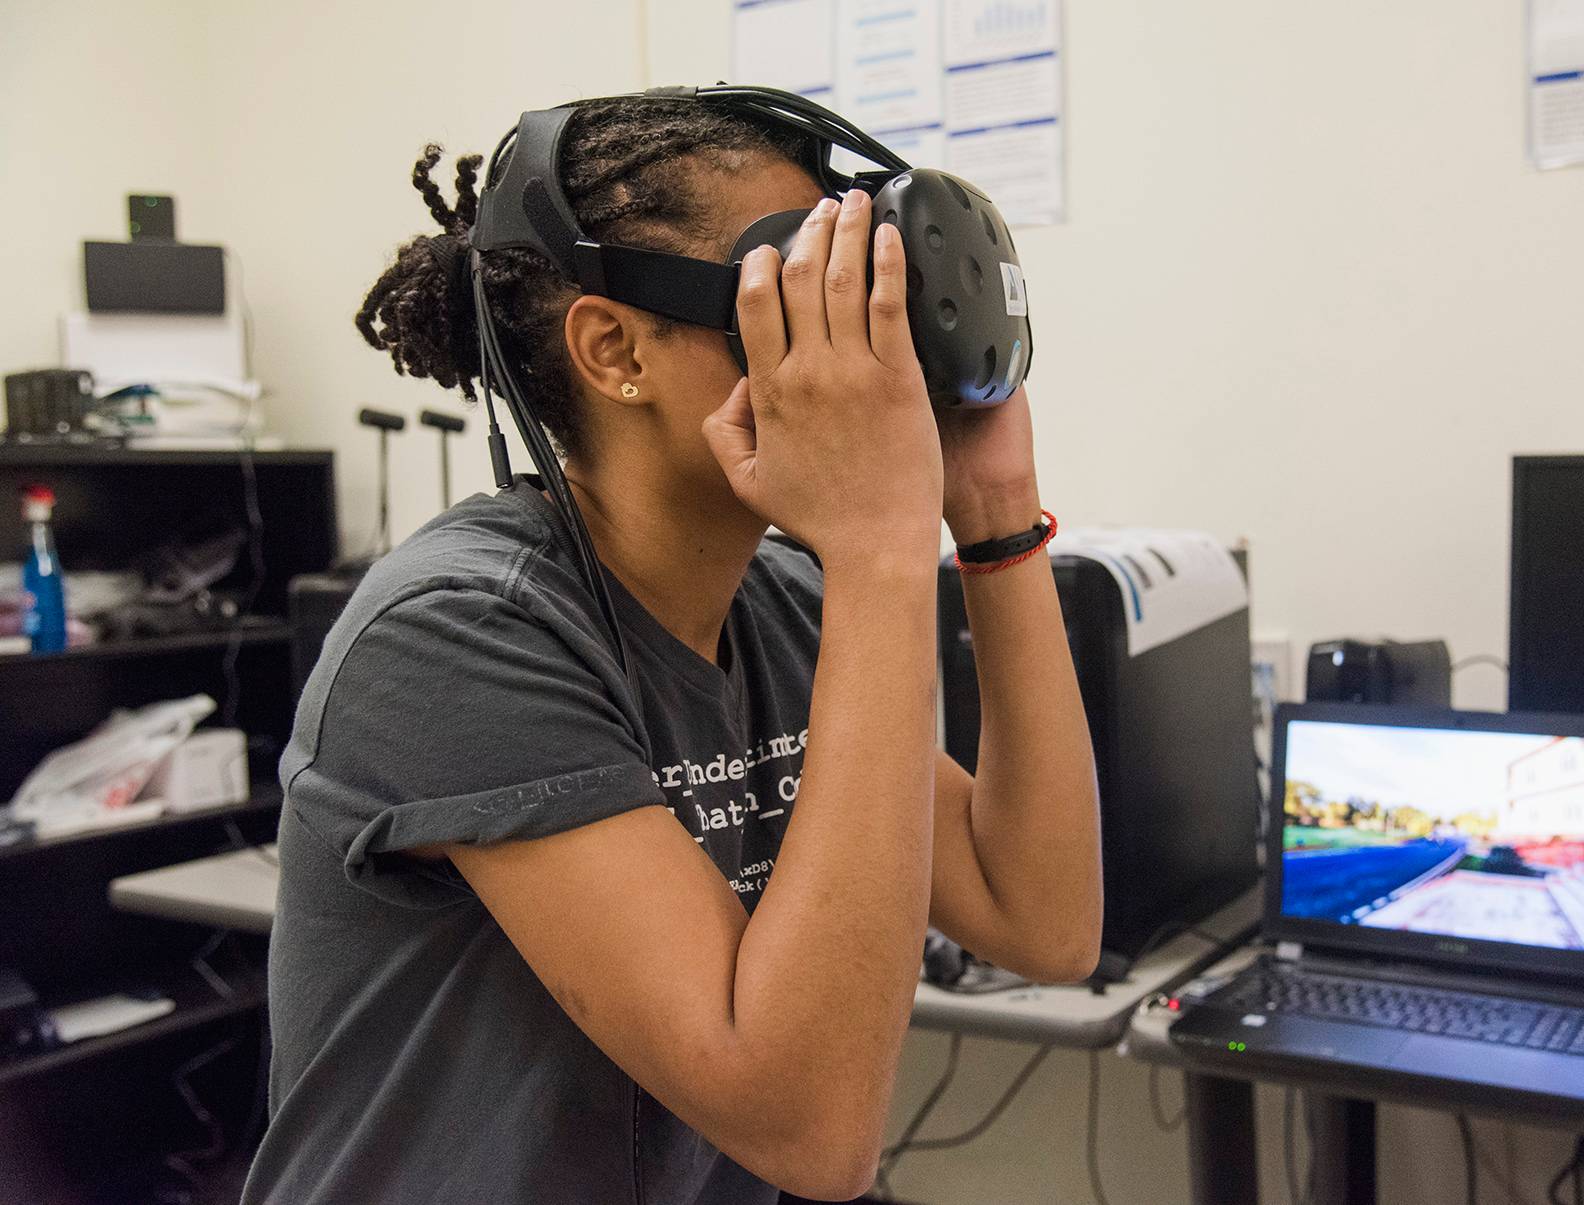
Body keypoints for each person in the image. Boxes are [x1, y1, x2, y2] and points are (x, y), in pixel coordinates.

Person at [244, 96, 1101, 1204]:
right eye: (794, 294)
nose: (857, 346)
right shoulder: (457, 633)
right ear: (614, 349)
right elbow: (809, 1125)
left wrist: (993, 509)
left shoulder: (778, 602)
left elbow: (1042, 920)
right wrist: (880, 543)